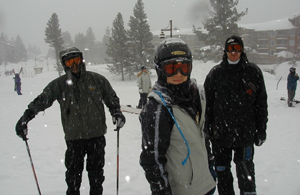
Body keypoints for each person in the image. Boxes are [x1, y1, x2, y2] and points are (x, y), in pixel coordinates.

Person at [15, 47, 126, 195]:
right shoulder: (59, 84)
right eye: (69, 62)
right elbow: (42, 100)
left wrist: (116, 112)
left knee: (96, 176)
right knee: (73, 176)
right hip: (74, 138)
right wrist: (26, 117)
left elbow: (111, 97)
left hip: (96, 136)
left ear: (81, 60)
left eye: (76, 60)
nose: (74, 64)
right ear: (64, 64)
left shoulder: (97, 80)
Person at [139, 38, 216, 195]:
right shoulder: (158, 107)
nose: (178, 74)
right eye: (171, 68)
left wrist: (210, 165)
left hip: (205, 184)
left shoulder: (196, 97)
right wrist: (161, 189)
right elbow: (152, 158)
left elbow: (201, 137)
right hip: (182, 189)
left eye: (184, 68)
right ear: (160, 70)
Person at [204, 35, 268, 195]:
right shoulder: (216, 73)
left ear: (242, 50)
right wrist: (208, 129)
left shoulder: (253, 72)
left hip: (245, 134)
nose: (234, 52)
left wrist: (261, 130)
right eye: (231, 49)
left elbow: (261, 104)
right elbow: (207, 105)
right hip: (220, 135)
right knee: (222, 173)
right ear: (225, 51)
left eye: (237, 49)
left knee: (246, 172)